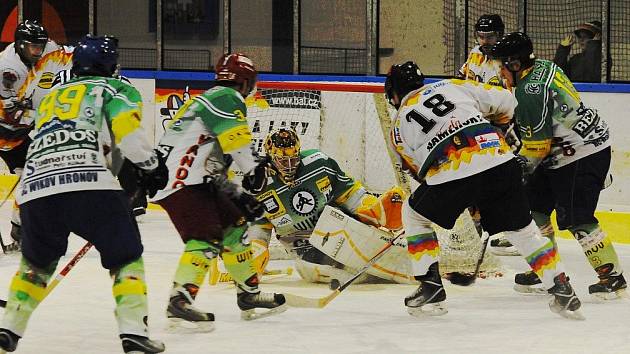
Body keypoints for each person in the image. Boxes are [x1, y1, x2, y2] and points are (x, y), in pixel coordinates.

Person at [0, 35, 167, 353]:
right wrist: (151, 166)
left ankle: (9, 328)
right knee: (126, 259)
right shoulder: (117, 88)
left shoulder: (51, 96)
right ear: (112, 65)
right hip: (90, 184)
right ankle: (133, 332)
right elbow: (130, 139)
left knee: (35, 265)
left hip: (36, 188)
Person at [384, 61, 583, 319]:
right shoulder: (453, 86)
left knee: (414, 214)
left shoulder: (398, 125)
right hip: (501, 162)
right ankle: (561, 289)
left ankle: (430, 284)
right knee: (523, 231)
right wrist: (497, 125)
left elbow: (420, 172)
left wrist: (466, 197)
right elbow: (507, 101)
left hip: (453, 173)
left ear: (393, 94)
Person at [151, 52, 285, 331]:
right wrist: (253, 170)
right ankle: (180, 299)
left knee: (235, 226)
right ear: (246, 82)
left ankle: (248, 294)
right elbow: (237, 145)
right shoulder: (227, 98)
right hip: (180, 182)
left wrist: (237, 195)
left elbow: (212, 164)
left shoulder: (210, 99)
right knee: (206, 237)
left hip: (189, 179)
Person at [492, 32, 626, 300]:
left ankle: (612, 277)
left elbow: (537, 148)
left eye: (502, 65)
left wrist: (514, 174)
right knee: (536, 208)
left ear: (516, 65)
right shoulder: (543, 66)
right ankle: (548, 270)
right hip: (563, 149)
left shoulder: (531, 92)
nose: (499, 71)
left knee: (577, 218)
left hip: (580, 154)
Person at [247, 128, 406, 284]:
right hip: (303, 244)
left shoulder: (319, 163)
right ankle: (350, 270)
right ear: (270, 158)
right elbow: (259, 229)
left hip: (337, 228)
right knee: (310, 268)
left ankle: (401, 257)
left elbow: (350, 193)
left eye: (294, 159)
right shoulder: (259, 186)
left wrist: (373, 209)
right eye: (283, 161)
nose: (289, 166)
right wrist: (253, 255)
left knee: (381, 217)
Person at [0, 20, 60, 252]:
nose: (38, 51)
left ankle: (20, 226)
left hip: (20, 135)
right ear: (20, 45)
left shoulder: (46, 49)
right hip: (4, 130)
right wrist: (37, 114)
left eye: (40, 46)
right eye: (33, 47)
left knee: (34, 176)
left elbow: (62, 53)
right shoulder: (8, 70)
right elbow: (10, 113)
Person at [458, 14, 505, 87]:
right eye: (481, 36)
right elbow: (461, 77)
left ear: (499, 35)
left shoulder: (506, 58)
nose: (484, 41)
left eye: (489, 37)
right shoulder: (475, 52)